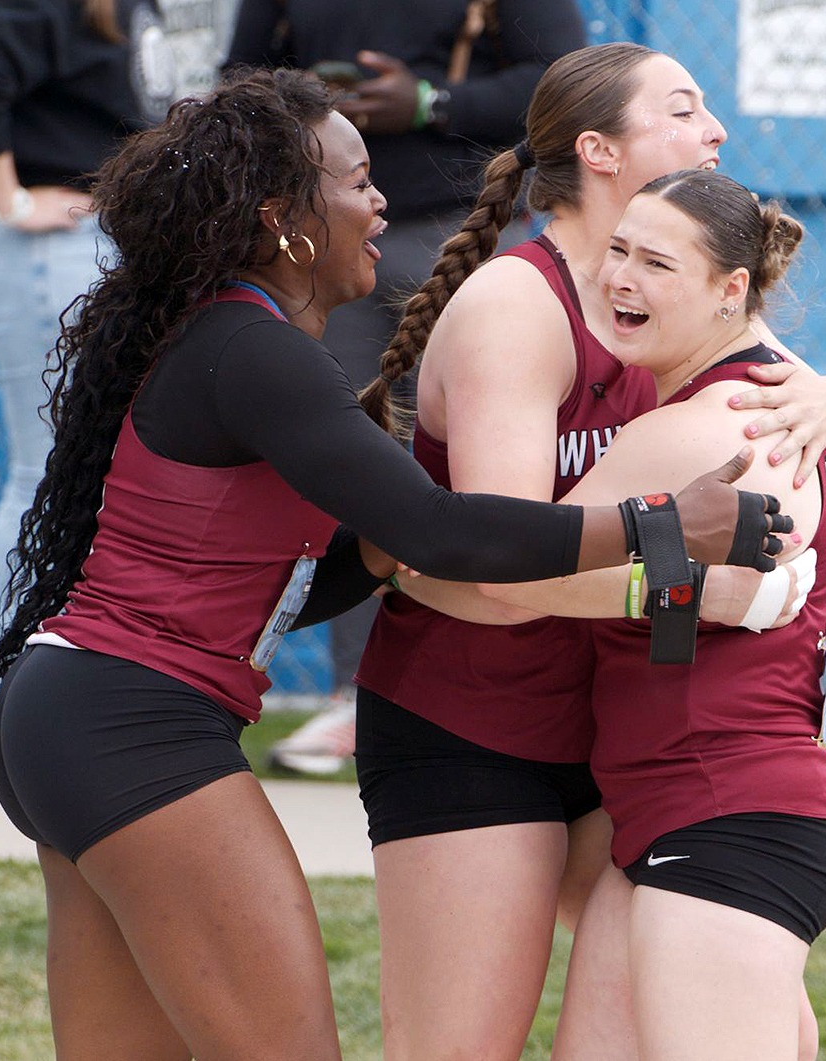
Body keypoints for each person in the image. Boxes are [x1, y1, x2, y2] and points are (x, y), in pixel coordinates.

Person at [0, 67, 793, 1059]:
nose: (380, 203)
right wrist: (665, 524)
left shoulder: (229, 339)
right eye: (356, 182)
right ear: (283, 218)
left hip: (66, 719)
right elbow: (447, 530)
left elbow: (307, 577)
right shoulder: (254, 350)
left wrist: (388, 553)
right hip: (132, 730)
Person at [350, 43, 826, 1061]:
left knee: (707, 999)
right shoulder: (531, 304)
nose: (714, 130)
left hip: (621, 737)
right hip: (479, 718)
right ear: (599, 151)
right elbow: (503, 564)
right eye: (683, 111)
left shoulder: (694, 312)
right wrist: (404, 562)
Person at [224, 0, 587, 776]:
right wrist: (318, 102)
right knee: (356, 462)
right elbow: (238, 79)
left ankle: (489, 668)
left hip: (457, 226)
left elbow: (557, 82)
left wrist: (429, 101)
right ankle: (356, 695)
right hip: (325, 236)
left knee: (456, 459)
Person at [0, 0, 211, 764]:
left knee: (80, 481)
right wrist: (13, 201)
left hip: (103, 249)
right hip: (58, 255)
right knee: (45, 478)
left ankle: (23, 699)